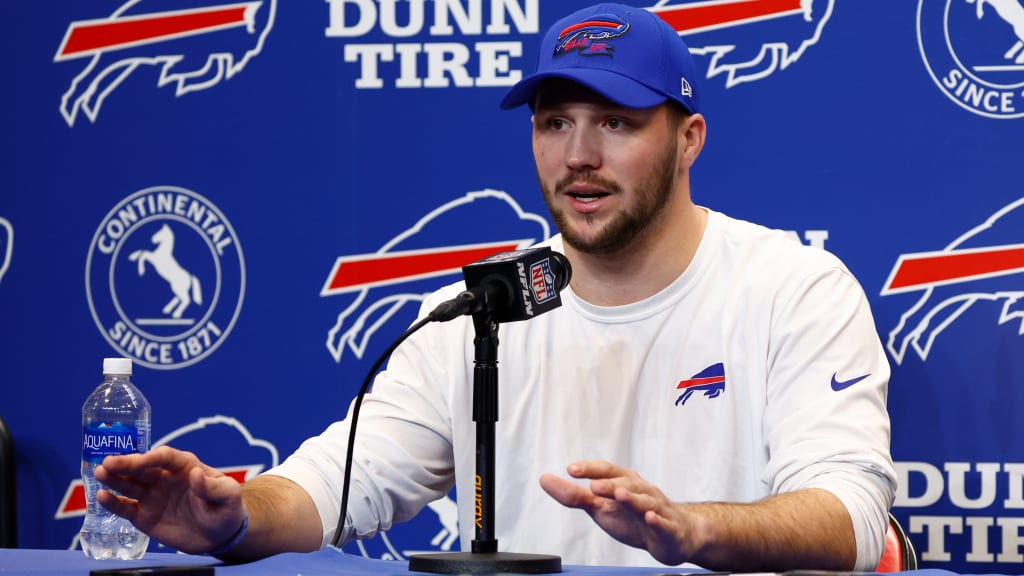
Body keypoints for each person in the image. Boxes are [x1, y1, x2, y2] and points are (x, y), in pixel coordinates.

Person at [94, 2, 896, 571]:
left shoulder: (795, 289)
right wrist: (236, 519)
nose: (578, 155)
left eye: (614, 122)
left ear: (688, 139)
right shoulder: (484, 306)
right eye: (554, 122)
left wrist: (690, 533)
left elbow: (855, 521)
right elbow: (343, 481)